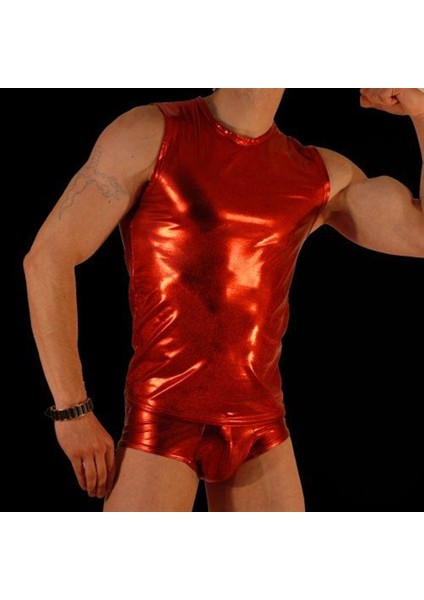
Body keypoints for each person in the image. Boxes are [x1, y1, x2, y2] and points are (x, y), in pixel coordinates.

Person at [23, 88, 424, 512]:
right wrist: (72, 411)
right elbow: (47, 258)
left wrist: (420, 110)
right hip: (164, 418)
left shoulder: (320, 174)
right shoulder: (151, 132)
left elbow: (418, 233)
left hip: (260, 428)